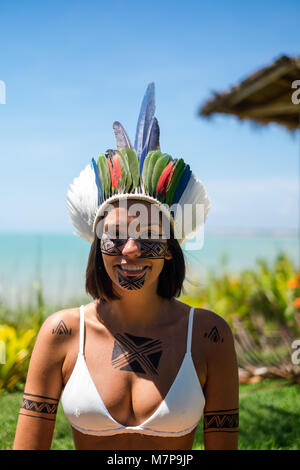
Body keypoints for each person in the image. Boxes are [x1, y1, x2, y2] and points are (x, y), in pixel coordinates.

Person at [13, 84, 239, 450]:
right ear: (96, 242)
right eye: (116, 234)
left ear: (169, 249)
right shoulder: (62, 333)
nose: (130, 250)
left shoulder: (209, 335)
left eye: (149, 235)